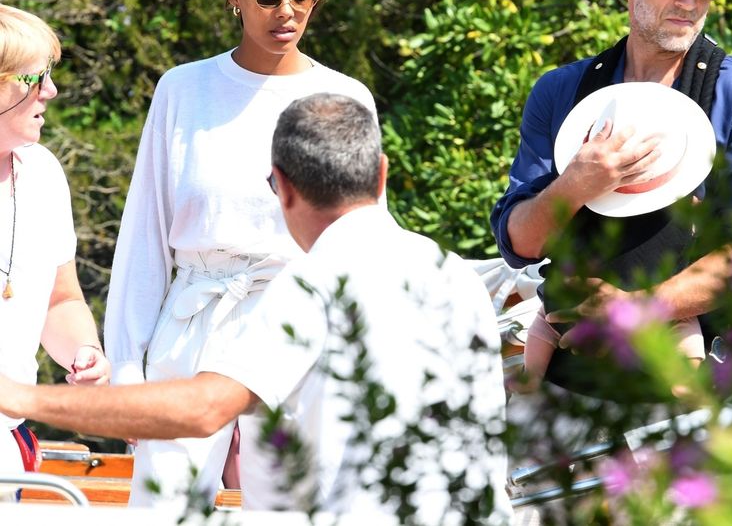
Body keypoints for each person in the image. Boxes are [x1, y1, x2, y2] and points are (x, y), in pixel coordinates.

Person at [0, 93, 512, 523]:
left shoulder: (313, 284)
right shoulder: (452, 273)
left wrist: (24, 398)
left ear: (281, 187)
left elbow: (203, 410)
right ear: (382, 176)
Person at [101, 0, 378, 508]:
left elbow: (366, 235)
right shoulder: (183, 89)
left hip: (299, 324)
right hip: (194, 320)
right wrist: (126, 366)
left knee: (295, 509)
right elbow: (144, 232)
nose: (288, 13)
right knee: (164, 507)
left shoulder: (347, 97)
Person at [491, 0, 732, 403]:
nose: (691, 2)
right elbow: (519, 242)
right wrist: (575, 185)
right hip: (569, 380)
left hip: (691, 381)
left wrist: (637, 310)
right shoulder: (561, 93)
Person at [0, 5, 111, 494]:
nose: (51, 90)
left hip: (11, 444)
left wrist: (83, 352)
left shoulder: (42, 173)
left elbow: (61, 300)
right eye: (34, 76)